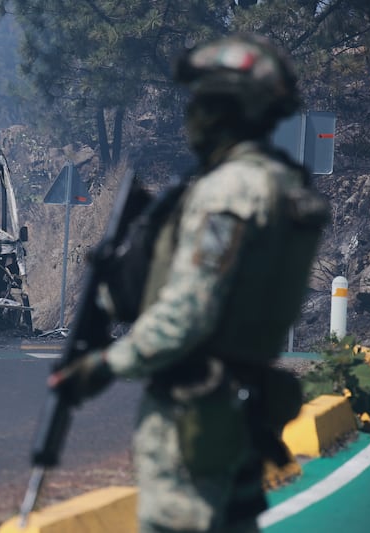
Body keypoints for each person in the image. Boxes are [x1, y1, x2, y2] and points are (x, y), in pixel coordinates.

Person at [50, 34, 329, 533]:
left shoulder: (229, 192)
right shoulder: (287, 185)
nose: (191, 116)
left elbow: (190, 311)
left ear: (227, 110)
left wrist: (105, 365)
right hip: (245, 407)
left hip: (196, 414)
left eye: (202, 103)